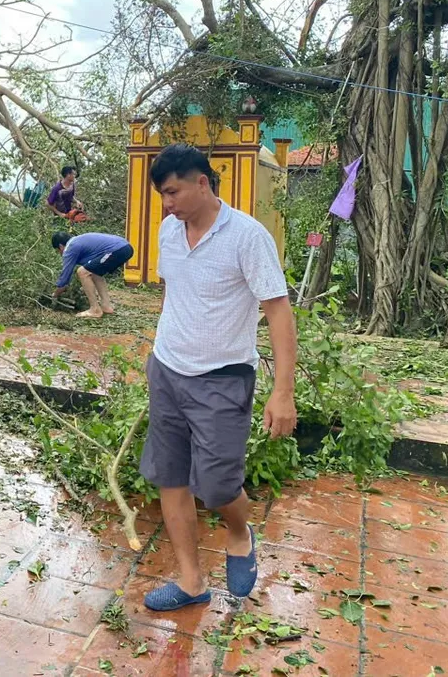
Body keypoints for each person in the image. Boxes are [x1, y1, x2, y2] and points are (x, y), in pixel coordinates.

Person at [138, 143, 297, 612]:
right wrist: (161, 353)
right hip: (167, 371)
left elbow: (278, 311)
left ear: (202, 183)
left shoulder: (247, 236)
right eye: (162, 196)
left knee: (217, 486)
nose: (167, 204)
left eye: (173, 192)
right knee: (170, 477)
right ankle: (191, 582)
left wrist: (282, 392)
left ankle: (239, 532)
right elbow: (176, 293)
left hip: (221, 378)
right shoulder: (169, 231)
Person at [51, 231, 133, 317]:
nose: (60, 254)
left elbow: (65, 277)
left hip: (118, 249)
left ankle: (95, 309)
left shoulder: (70, 248)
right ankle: (106, 306)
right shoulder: (78, 241)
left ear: (60, 246)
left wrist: (55, 294)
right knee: (95, 273)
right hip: (125, 247)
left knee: (82, 272)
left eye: (58, 251)